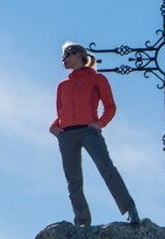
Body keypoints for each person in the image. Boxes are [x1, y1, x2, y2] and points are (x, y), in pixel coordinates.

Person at [50, 42, 140, 226]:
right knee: (73, 180)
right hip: (66, 135)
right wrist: (54, 127)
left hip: (89, 132)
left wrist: (100, 124)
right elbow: (61, 112)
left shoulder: (97, 79)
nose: (63, 60)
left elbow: (110, 107)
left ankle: (130, 210)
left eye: (67, 55)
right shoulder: (62, 85)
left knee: (107, 169)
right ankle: (82, 221)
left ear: (78, 55)